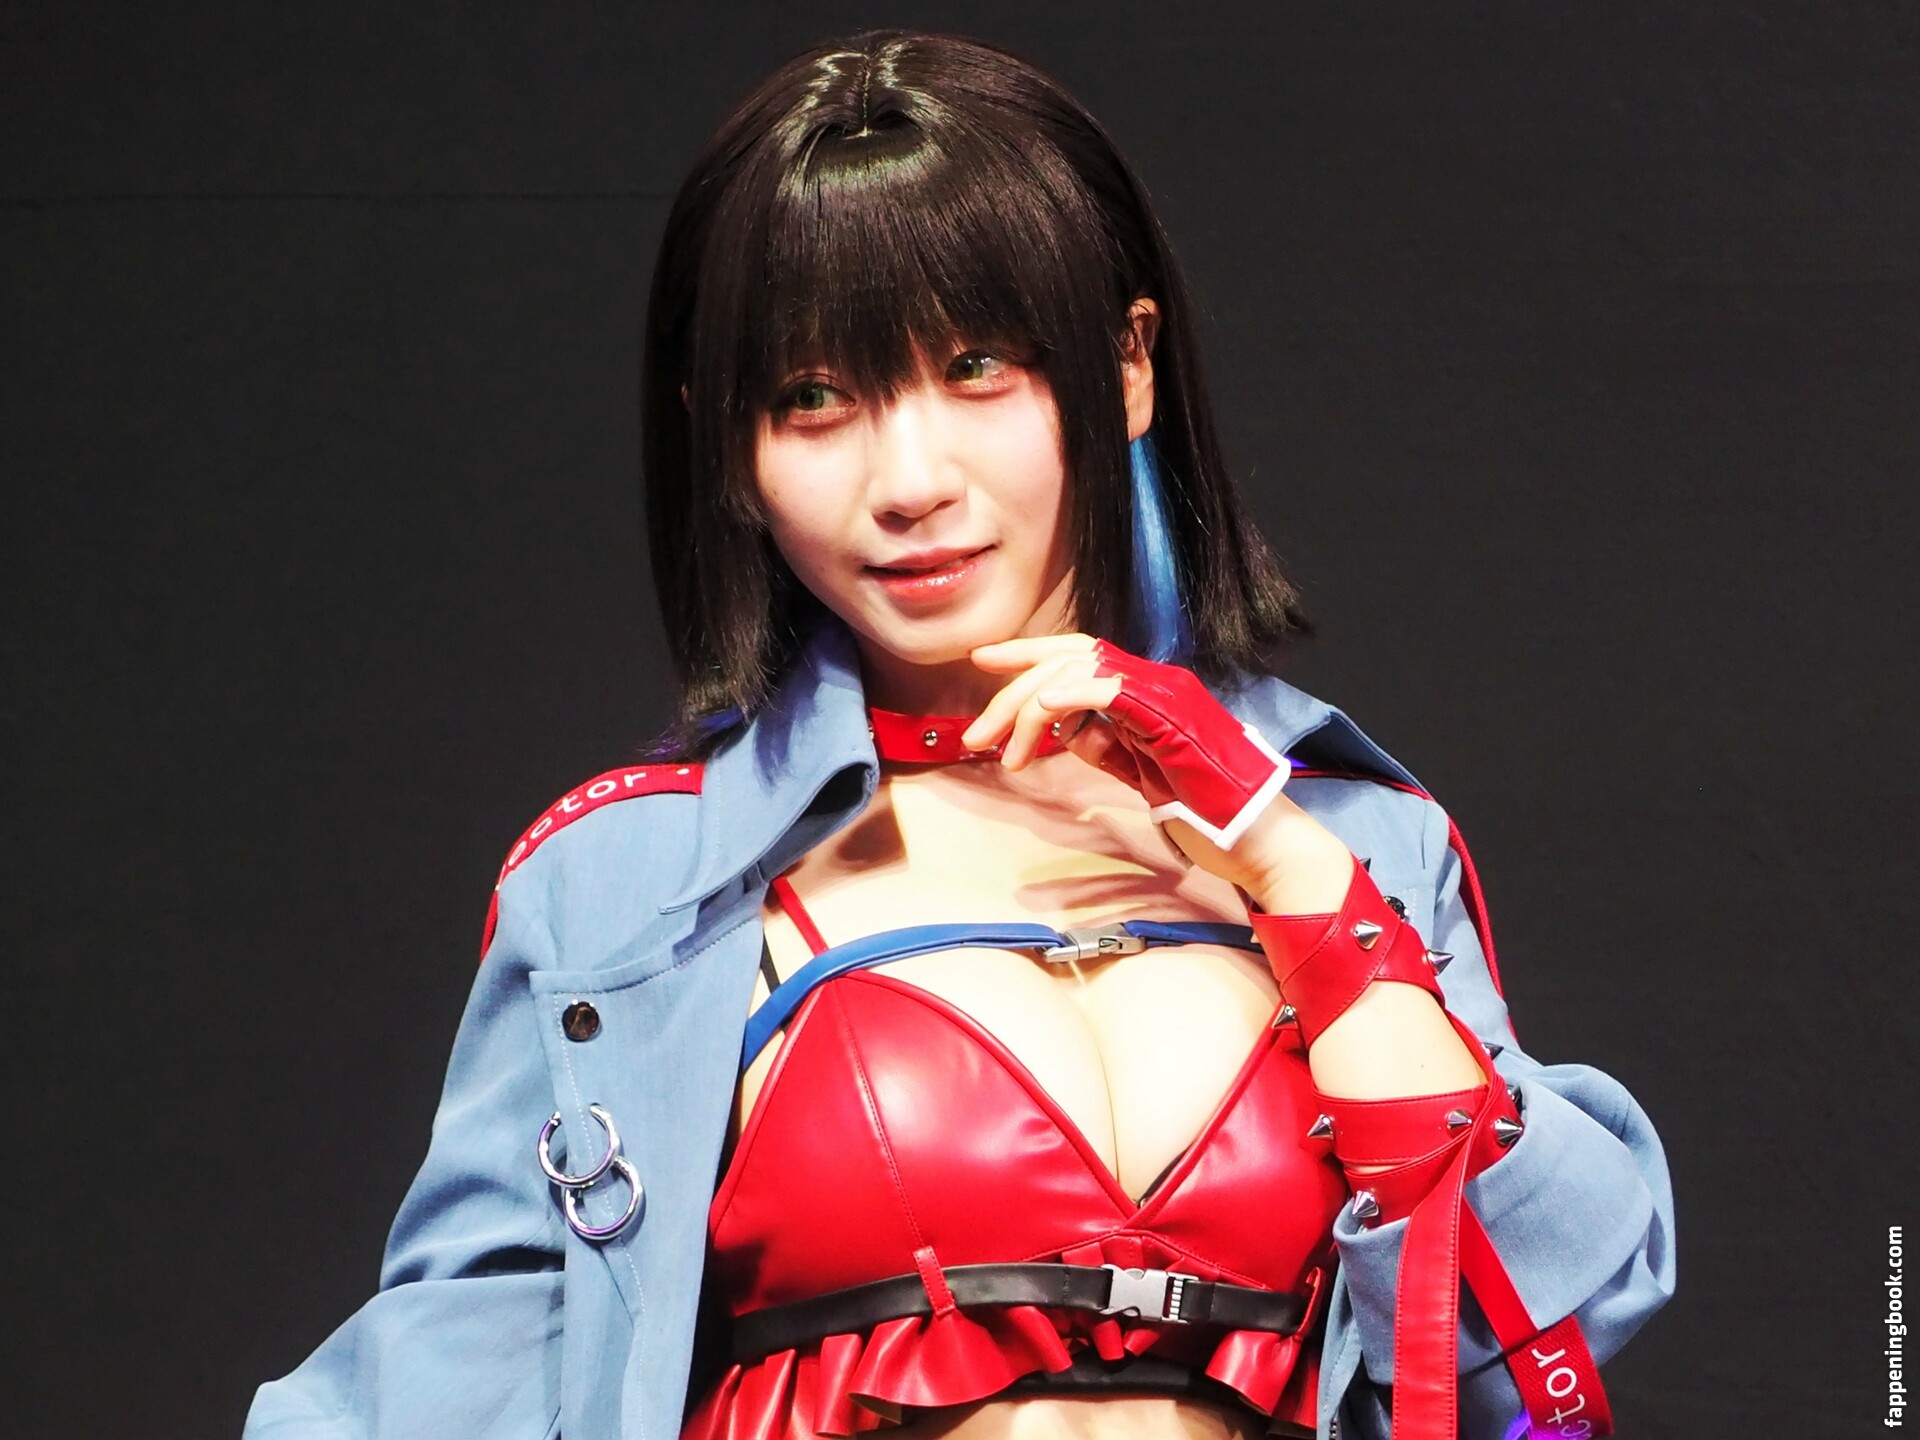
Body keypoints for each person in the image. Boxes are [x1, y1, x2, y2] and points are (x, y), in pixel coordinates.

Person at [244, 29, 1675, 1440]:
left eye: (976, 365)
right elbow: (446, 1379)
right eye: (814, 399)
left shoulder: (1360, 842)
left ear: (1126, 365)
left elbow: (1526, 1366)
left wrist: (1297, 877)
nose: (908, 480)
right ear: (726, 442)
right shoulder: (627, 884)